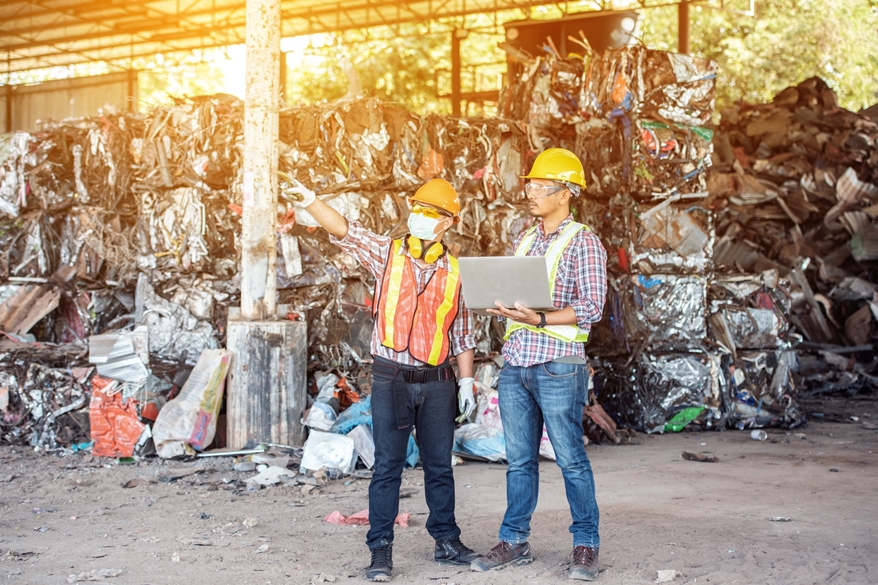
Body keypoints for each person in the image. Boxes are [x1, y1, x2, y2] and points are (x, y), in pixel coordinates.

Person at [281, 176, 481, 582]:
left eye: (430, 212)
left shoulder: (459, 272)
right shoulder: (387, 254)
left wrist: (465, 382)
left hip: (439, 381)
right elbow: (344, 230)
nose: (419, 217)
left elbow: (462, 334)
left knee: (439, 466)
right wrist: (312, 200)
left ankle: (446, 541)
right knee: (387, 465)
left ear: (447, 222)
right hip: (391, 378)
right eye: (418, 208)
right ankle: (380, 550)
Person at [471, 148, 608, 581]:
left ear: (565, 193)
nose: (529, 192)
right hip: (517, 364)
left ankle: (585, 545)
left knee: (569, 458)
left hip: (557, 365)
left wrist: (542, 318)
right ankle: (513, 540)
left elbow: (592, 306)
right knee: (519, 460)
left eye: (539, 186)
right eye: (528, 184)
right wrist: (501, 307)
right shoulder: (526, 237)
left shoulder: (583, 241)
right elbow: (521, 294)